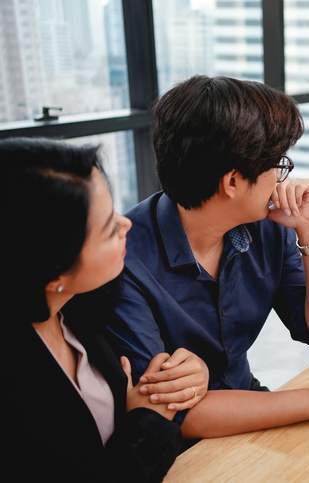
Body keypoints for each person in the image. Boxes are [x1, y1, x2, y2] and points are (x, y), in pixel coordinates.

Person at [89, 75, 309, 439]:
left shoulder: (267, 227)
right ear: (233, 182)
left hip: (249, 405)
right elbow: (172, 414)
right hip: (174, 448)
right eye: (277, 163)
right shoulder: (125, 261)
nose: (281, 176)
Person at [6, 138, 209, 481]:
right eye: (108, 228)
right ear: (53, 270)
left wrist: (192, 374)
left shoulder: (86, 305)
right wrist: (147, 425)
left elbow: (147, 388)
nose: (126, 224)